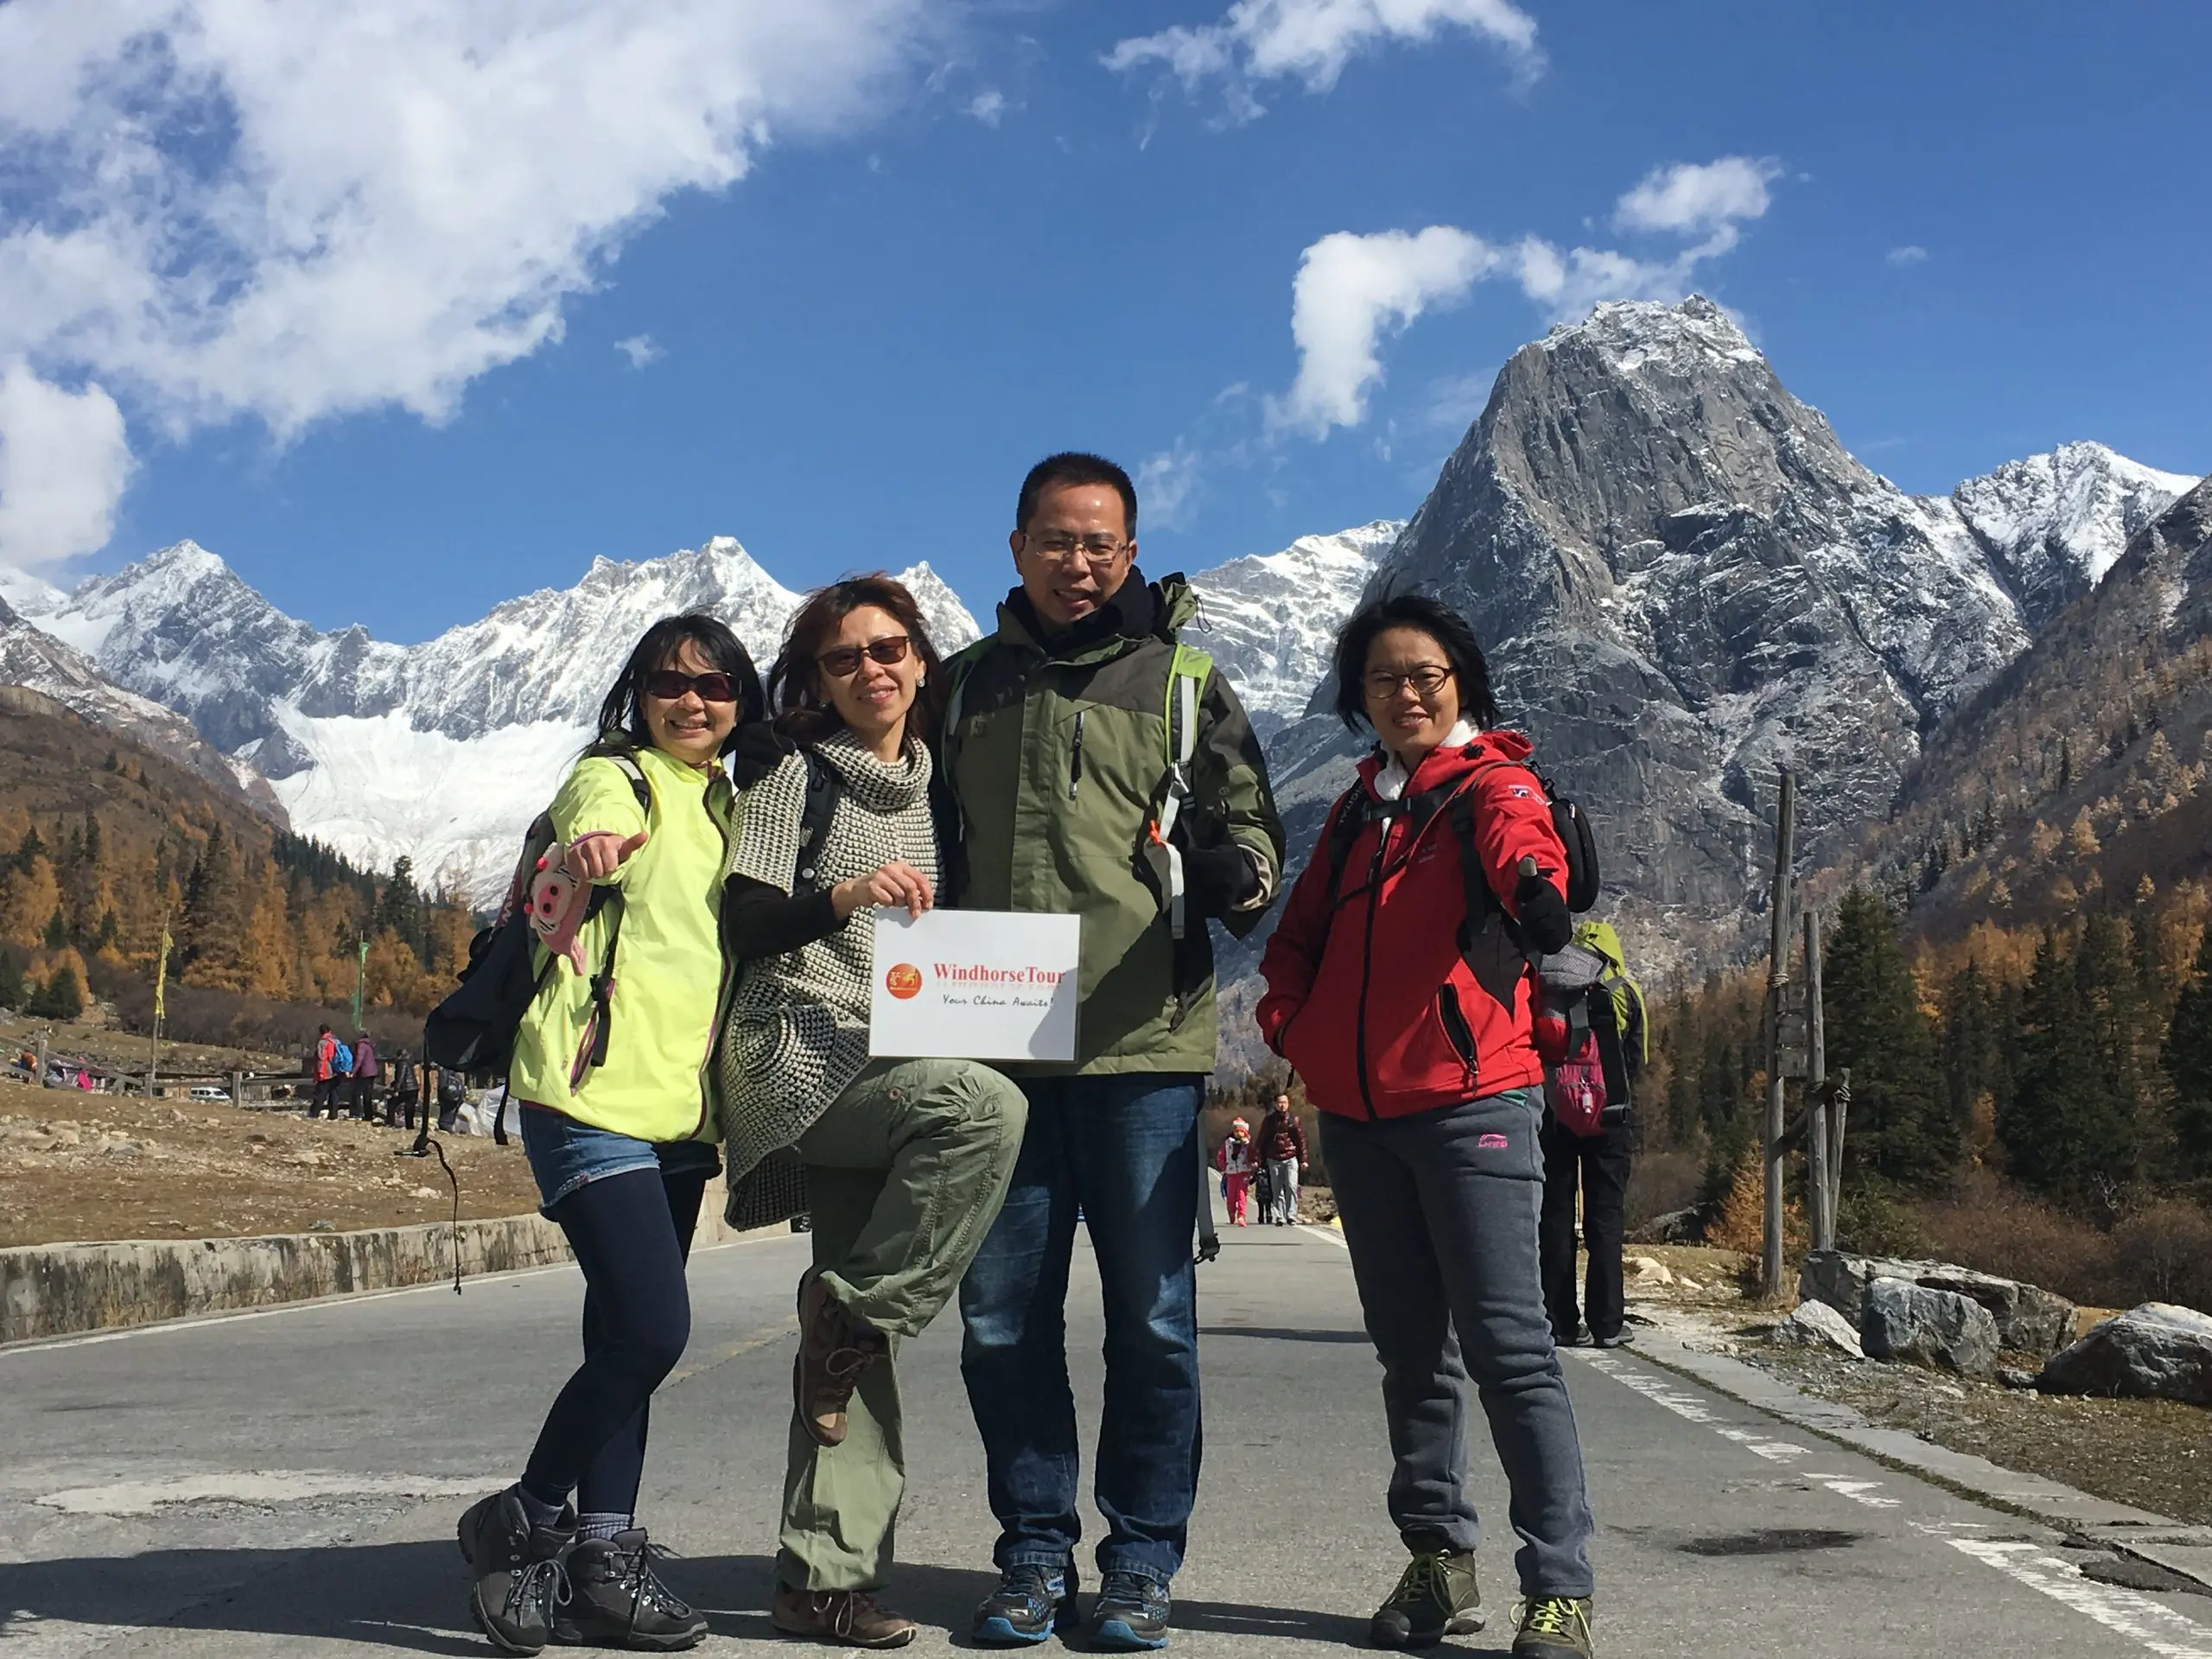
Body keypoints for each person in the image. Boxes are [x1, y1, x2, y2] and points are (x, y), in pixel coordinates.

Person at [946, 452, 1284, 1650]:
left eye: (1100, 544)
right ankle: (1034, 1554)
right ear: (1017, 547)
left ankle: (1140, 1560)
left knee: (1153, 1323)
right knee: (1000, 1322)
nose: (1078, 562)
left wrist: (1235, 868)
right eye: (1056, 539)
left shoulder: (1185, 684)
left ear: (1130, 553)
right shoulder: (963, 688)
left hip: (1142, 1047)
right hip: (995, 1056)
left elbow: (1256, 845)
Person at [1255, 594, 1598, 1659]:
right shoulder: (1356, 813)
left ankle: (1559, 1587)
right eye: (1382, 679)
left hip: (1473, 1103)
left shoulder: (1492, 784)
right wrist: (1292, 1027)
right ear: (1357, 698)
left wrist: (1538, 895)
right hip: (1360, 1121)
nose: (1405, 694)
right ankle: (1439, 1560)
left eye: (1425, 676)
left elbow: (1521, 846)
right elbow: (1294, 939)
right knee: (1411, 1356)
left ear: (1461, 685)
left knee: (1509, 1349)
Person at [719, 575, 1027, 1649]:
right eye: (843, 657)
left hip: (893, 1061)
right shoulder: (791, 775)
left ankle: (824, 1579)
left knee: (856, 1346)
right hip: (800, 1053)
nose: (870, 670)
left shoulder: (940, 784)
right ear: (817, 677)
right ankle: (848, 1317)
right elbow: (747, 921)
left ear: (920, 661)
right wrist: (845, 898)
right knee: (985, 1107)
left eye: (888, 649)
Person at [454, 613, 760, 1657]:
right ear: (638, 695)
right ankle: (524, 1520)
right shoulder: (612, 778)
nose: (692, 701)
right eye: (669, 682)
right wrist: (586, 853)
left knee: (621, 1342)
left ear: (741, 701)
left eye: (714, 685)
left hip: (682, 1113)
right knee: (653, 1331)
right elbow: (583, 835)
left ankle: (603, 1559)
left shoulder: (730, 803)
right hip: (587, 1098)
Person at [1539, 921, 1647, 1351]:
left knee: (1555, 1217)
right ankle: (1607, 1323)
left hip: (1555, 1115)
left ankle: (1560, 1322)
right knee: (1605, 1219)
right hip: (1610, 1116)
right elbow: (1636, 1059)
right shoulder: (1625, 992)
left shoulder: (1552, 987)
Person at [1257, 1092, 1308, 1225]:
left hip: (1291, 1157)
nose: (1282, 1105)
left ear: (1288, 1104)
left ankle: (1291, 1215)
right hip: (1273, 1158)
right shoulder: (1269, 1121)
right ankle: (1280, 1216)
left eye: (1285, 1102)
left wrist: (1303, 1160)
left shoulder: (1293, 1120)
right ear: (1275, 1104)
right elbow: (1262, 1140)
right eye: (1280, 1102)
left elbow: (1301, 1140)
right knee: (1277, 1188)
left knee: (1291, 1185)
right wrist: (1258, 1158)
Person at [1213, 1117, 1255, 1226]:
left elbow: (1254, 1154)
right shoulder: (1227, 1143)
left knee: (1241, 1194)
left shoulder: (1248, 1143)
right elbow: (1220, 1156)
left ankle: (1241, 1215)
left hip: (1243, 1171)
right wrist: (1224, 1166)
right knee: (1231, 1195)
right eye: (1237, 1131)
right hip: (1231, 1172)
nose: (1239, 1133)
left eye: (1241, 1131)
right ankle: (1232, 1213)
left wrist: (1252, 1161)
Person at [308, 1025, 344, 1120]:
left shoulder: (322, 1043)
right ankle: (333, 1115)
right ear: (329, 1031)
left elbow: (322, 1058)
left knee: (320, 1094)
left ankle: (314, 1114)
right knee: (333, 1093)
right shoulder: (335, 1041)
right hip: (336, 1072)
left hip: (326, 1072)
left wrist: (320, 1072)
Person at [387, 1049, 422, 1130]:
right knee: (409, 1108)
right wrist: (392, 1084)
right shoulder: (410, 1062)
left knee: (392, 1103)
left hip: (405, 1089)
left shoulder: (401, 1063)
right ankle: (410, 1127)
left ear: (399, 1056)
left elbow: (400, 1077)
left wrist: (396, 1090)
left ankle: (390, 1123)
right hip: (414, 1088)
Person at [349, 1030, 380, 1121]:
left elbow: (359, 1059)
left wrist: (353, 1071)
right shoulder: (369, 1045)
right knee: (367, 1094)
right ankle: (368, 1114)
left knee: (356, 1092)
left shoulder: (361, 1045)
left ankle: (356, 1113)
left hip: (365, 1072)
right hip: (372, 1072)